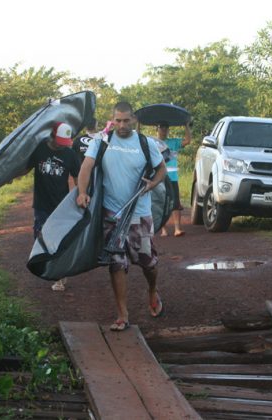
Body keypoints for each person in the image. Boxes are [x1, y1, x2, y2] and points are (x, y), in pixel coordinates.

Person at [76, 102, 167, 331]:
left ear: (133, 120)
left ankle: (152, 289)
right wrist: (82, 192)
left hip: (139, 213)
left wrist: (152, 184)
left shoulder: (145, 143)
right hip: (112, 213)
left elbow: (162, 169)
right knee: (116, 264)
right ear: (113, 119)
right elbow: (86, 167)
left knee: (148, 263)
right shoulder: (102, 141)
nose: (122, 125)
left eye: (126, 120)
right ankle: (122, 315)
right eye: (118, 120)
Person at [27, 121, 79, 291]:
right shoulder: (40, 149)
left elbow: (78, 177)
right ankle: (48, 266)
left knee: (59, 239)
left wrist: (80, 196)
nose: (61, 146)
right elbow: (24, 167)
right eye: (59, 142)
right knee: (40, 237)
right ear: (52, 135)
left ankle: (59, 274)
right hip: (41, 203)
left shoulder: (70, 155)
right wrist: (6, 176)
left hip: (61, 204)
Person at [156, 121, 192, 237]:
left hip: (172, 176)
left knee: (175, 203)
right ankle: (163, 230)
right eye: (161, 127)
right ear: (157, 128)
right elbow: (139, 141)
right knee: (161, 203)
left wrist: (186, 126)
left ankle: (177, 229)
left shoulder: (174, 142)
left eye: (166, 127)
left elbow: (187, 140)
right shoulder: (152, 142)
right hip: (159, 177)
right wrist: (138, 124)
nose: (164, 129)